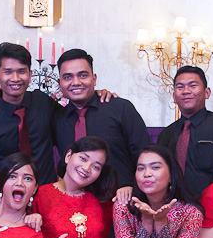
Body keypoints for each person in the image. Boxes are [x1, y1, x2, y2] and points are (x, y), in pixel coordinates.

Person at [53, 49, 148, 193]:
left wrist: (132, 188)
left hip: (120, 197)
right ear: (60, 82)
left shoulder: (120, 108)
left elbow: (144, 155)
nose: (76, 82)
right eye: (68, 77)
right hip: (74, 200)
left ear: (94, 79)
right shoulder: (56, 117)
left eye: (83, 75)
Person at [0, 42, 58, 185]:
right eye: (8, 72)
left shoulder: (43, 102)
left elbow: (72, 115)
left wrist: (95, 95)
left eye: (21, 71)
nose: (15, 78)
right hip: (7, 193)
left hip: (47, 190)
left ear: (30, 75)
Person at [156, 66, 213, 203]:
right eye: (180, 87)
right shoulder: (166, 134)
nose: (186, 91)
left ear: (207, 93)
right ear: (174, 96)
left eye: (193, 86)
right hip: (173, 206)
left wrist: (209, 199)